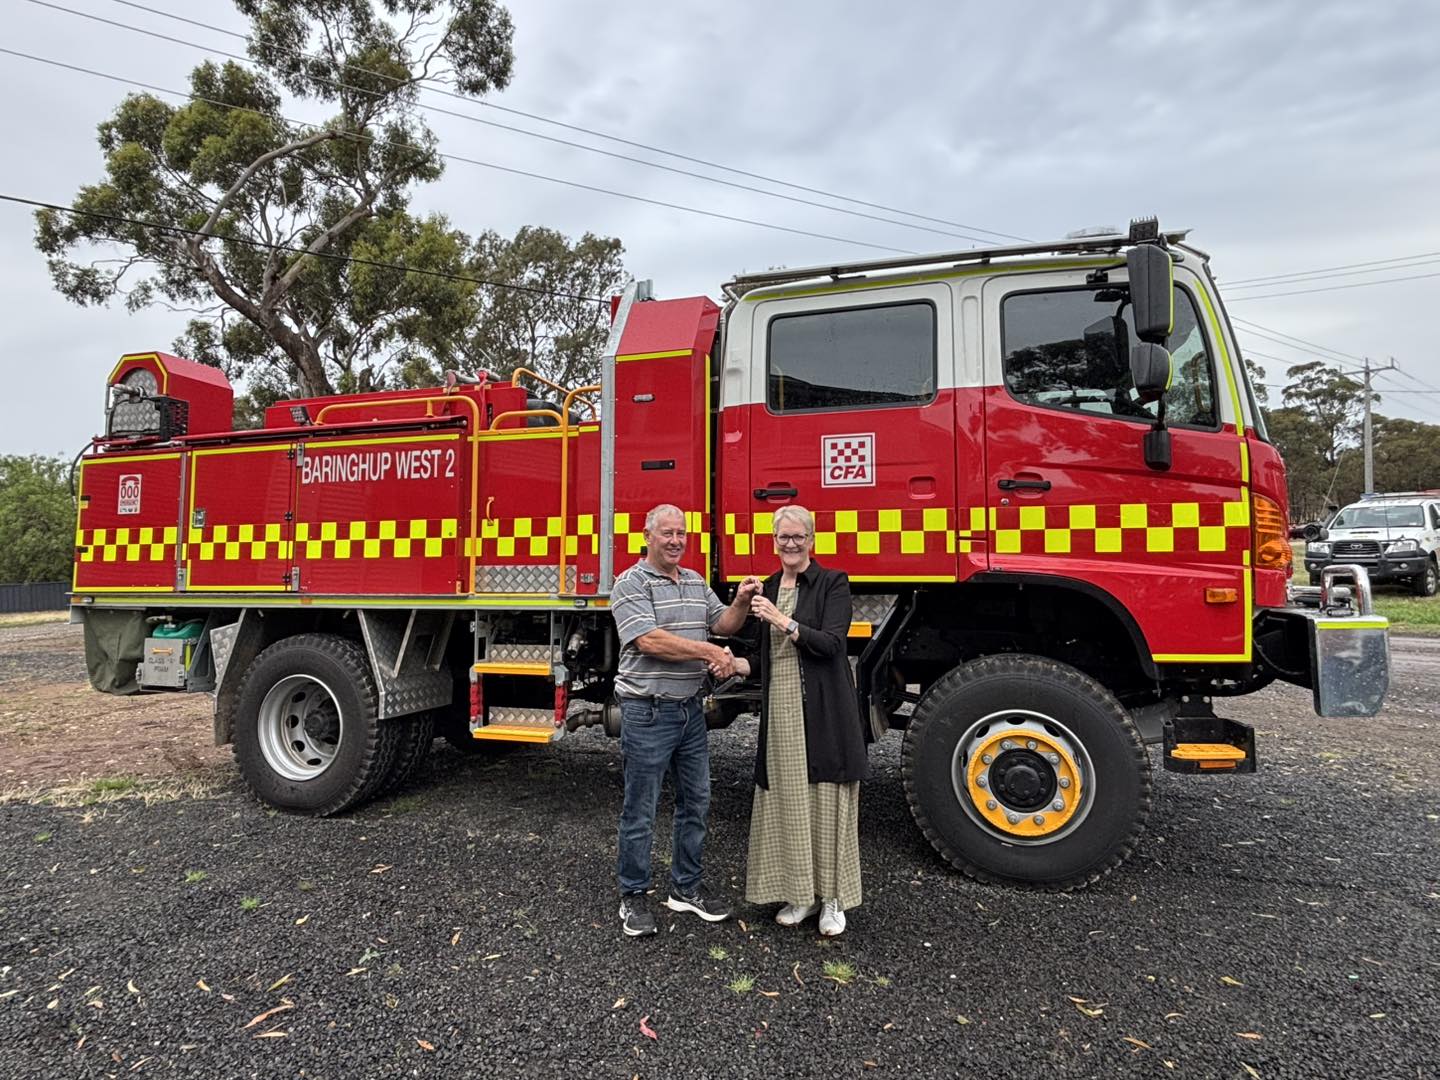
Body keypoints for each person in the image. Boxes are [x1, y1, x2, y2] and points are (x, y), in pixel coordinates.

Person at [610, 503, 760, 938]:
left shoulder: (694, 581)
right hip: (648, 710)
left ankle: (685, 889)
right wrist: (710, 652)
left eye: (681, 533)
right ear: (647, 536)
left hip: (690, 711)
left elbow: (724, 624)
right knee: (641, 809)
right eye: (667, 533)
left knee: (696, 801)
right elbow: (648, 640)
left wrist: (740, 602)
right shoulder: (630, 582)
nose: (676, 540)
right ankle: (633, 896)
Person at [743, 505, 869, 936]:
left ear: (812, 540)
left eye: (799, 537)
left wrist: (781, 619)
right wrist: (730, 663)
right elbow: (761, 657)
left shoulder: (833, 582)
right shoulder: (768, 586)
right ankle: (801, 895)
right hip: (782, 713)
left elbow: (831, 644)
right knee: (790, 801)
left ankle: (832, 899)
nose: (791, 544)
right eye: (784, 537)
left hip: (824, 709)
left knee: (826, 799)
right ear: (774, 541)